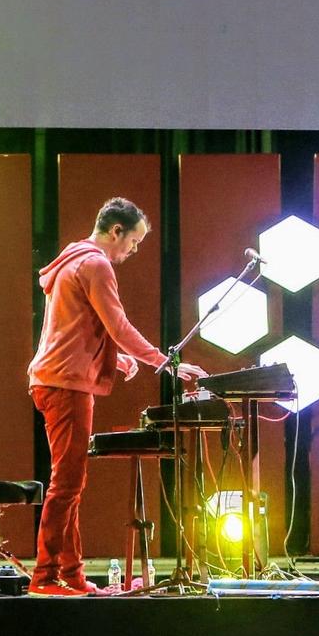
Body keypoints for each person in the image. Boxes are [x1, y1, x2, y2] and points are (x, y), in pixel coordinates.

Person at [26, 197, 204, 596]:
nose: (133, 250)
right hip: (66, 385)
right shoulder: (96, 263)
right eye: (134, 241)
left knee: (70, 482)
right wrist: (168, 364)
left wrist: (115, 359)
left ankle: (69, 573)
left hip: (57, 379)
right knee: (67, 485)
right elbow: (118, 325)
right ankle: (45, 576)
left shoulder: (72, 259)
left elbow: (73, 328)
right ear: (115, 231)